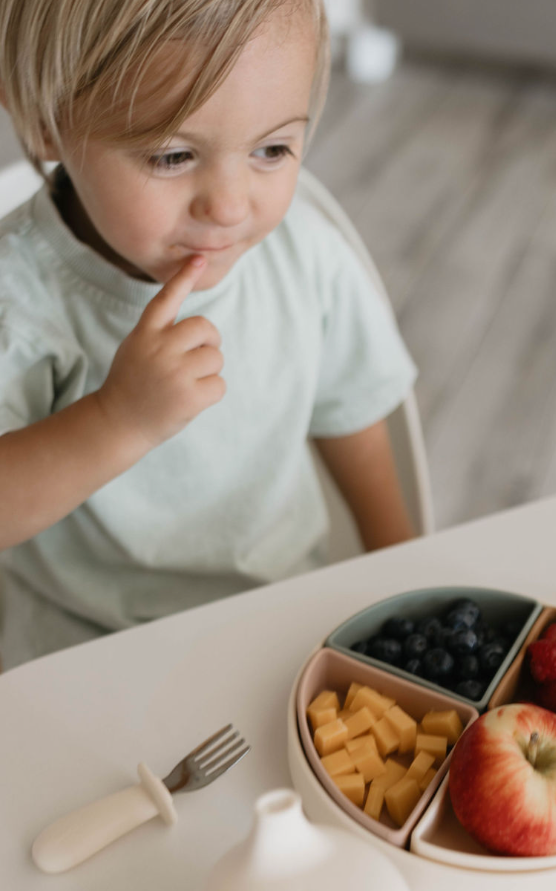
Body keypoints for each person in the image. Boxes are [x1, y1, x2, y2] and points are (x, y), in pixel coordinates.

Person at [0, 0, 418, 669]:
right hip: (80, 650)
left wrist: (405, 579)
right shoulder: (19, 297)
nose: (228, 206)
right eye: (171, 155)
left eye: (272, 149)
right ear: (45, 124)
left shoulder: (304, 258)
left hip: (282, 625)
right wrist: (117, 418)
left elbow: (354, 417)